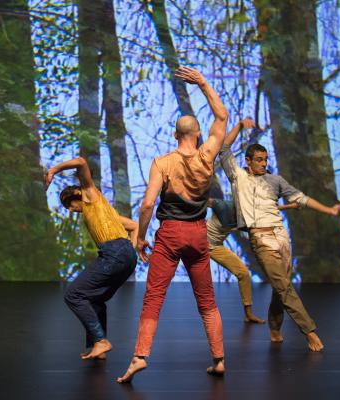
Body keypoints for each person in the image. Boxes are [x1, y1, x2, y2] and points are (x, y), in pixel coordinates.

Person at [117, 66, 228, 383]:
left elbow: (147, 204)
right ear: (198, 134)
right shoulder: (207, 156)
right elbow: (221, 117)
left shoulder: (162, 163)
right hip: (198, 234)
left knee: (153, 297)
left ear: (175, 135)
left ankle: (140, 357)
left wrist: (140, 237)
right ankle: (219, 360)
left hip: (170, 235)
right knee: (207, 301)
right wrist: (202, 82)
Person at [219, 119, 340, 351]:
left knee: (282, 287)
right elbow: (224, 148)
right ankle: (310, 332)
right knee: (283, 285)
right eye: (259, 159)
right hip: (261, 238)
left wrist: (330, 210)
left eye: (265, 159)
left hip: (281, 236)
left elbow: (301, 198)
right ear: (248, 161)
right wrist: (239, 126)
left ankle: (275, 326)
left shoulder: (275, 180)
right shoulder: (238, 177)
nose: (263, 163)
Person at [44, 156, 138, 360]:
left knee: (73, 295)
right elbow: (133, 225)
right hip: (127, 256)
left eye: (69, 205)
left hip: (114, 252)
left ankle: (101, 341)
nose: (71, 210)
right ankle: (97, 346)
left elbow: (81, 161)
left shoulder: (90, 195)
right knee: (95, 299)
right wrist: (131, 248)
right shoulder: (104, 210)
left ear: (77, 194)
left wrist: (53, 170)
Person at [207, 197, 267, 323]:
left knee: (243, 273)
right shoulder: (221, 205)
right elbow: (201, 201)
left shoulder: (244, 219)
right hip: (198, 243)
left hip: (216, 247)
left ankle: (248, 314)